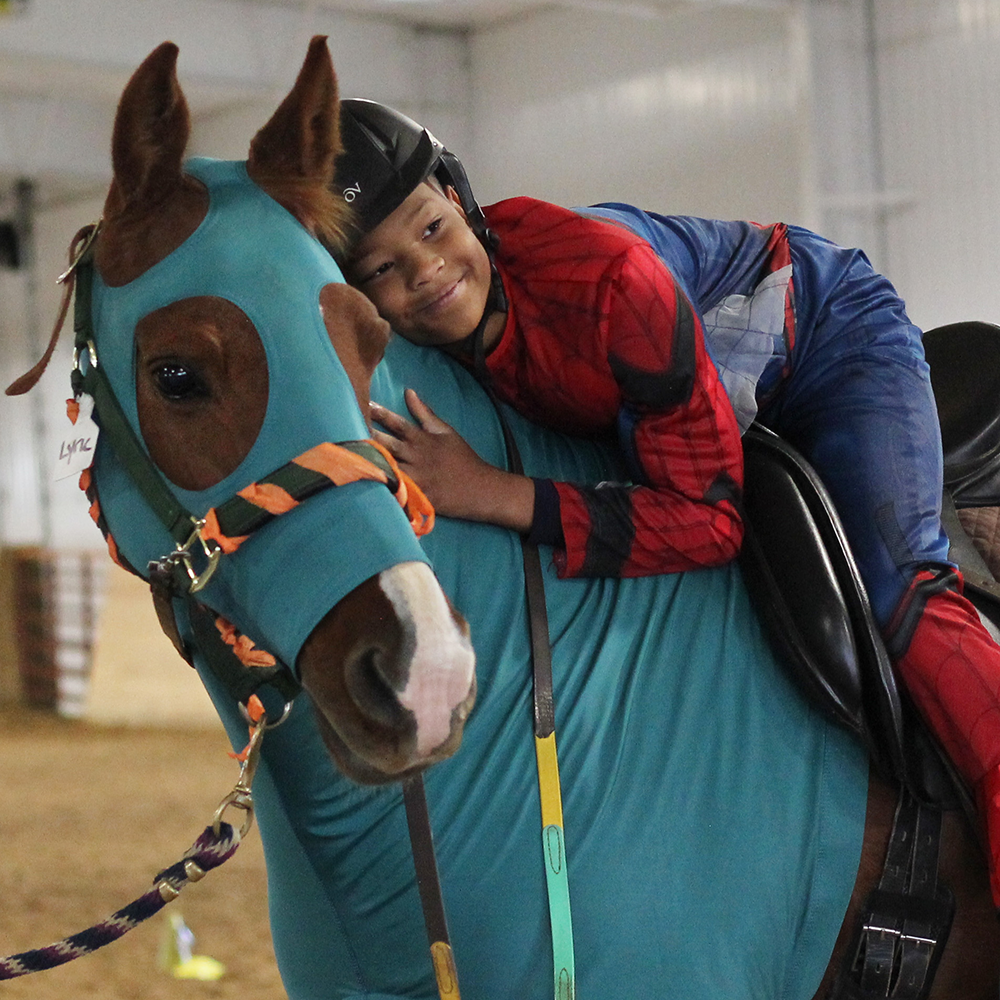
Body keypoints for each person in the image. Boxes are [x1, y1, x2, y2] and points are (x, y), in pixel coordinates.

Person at [333, 99, 1000, 907]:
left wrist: (493, 493)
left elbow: (716, 520)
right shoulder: (440, 336)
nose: (424, 271)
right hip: (685, 391)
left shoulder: (606, 279)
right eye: (380, 269)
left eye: (432, 229)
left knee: (895, 586)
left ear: (460, 198)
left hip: (828, 340)